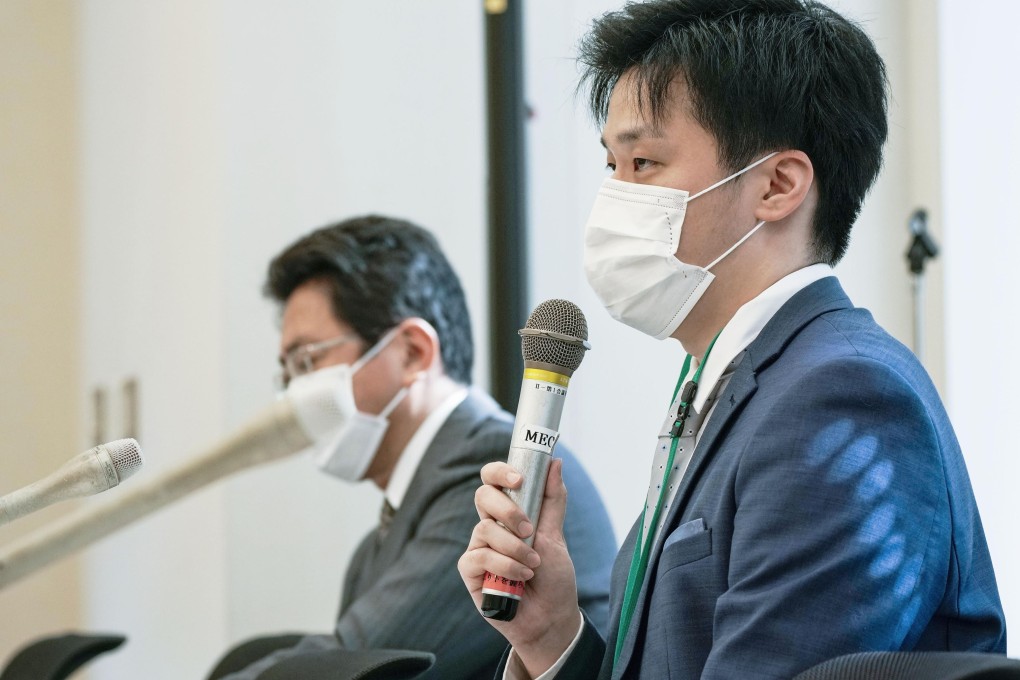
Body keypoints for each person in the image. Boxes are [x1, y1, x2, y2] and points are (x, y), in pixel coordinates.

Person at [458, 1, 1007, 678]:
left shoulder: (841, 397)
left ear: (777, 186)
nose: (616, 196)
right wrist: (552, 638)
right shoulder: (728, 383)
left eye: (644, 162)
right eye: (611, 165)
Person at [215, 215, 616, 680]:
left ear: (411, 352)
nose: (293, 394)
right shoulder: (377, 543)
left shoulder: (490, 471)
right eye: (288, 373)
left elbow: (354, 663)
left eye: (308, 360)